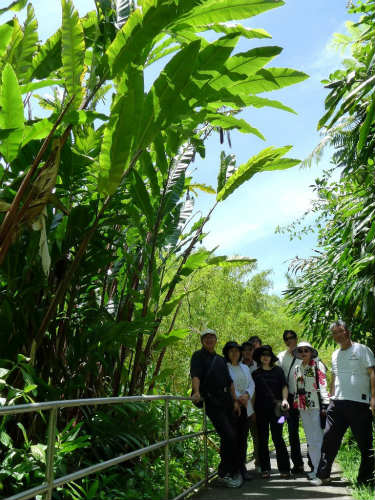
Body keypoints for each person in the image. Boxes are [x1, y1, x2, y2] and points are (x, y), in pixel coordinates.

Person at [312, 320, 375, 487]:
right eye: (334, 333)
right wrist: (331, 397)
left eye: (340, 331)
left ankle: (365, 481)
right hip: (337, 403)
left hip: (359, 404)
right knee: (329, 439)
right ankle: (323, 475)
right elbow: (335, 377)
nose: (338, 335)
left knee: (365, 444)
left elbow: (372, 374)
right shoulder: (335, 354)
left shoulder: (362, 349)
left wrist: (373, 399)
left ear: (347, 331)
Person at [190, 329, 243, 488]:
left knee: (232, 435)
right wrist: (197, 391)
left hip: (226, 400)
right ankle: (227, 472)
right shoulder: (198, 356)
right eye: (206, 337)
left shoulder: (220, 359)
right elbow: (196, 375)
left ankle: (230, 470)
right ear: (202, 341)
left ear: (216, 340)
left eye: (212, 337)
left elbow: (230, 382)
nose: (209, 340)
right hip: (212, 401)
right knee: (229, 435)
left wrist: (235, 401)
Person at [252, 345, 291, 479]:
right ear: (259, 358)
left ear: (271, 357)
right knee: (263, 439)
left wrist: (285, 400)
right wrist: (252, 411)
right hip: (261, 410)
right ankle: (265, 468)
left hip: (278, 412)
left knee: (278, 437)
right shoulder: (255, 374)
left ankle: (285, 468)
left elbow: (284, 386)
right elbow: (254, 393)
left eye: (268, 355)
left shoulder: (278, 371)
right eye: (263, 355)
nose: (265, 357)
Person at [292, 341, 329, 480]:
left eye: (306, 350)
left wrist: (325, 404)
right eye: (300, 351)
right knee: (310, 440)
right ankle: (315, 468)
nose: (303, 353)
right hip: (303, 407)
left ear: (311, 352)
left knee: (318, 439)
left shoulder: (317, 365)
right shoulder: (297, 368)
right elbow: (296, 389)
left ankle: (321, 470)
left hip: (317, 406)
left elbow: (323, 384)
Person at [223, 341, 255, 481]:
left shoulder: (245, 367)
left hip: (245, 405)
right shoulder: (225, 367)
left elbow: (251, 383)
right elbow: (225, 385)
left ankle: (242, 468)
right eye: (231, 351)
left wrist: (247, 394)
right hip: (232, 407)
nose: (234, 353)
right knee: (232, 439)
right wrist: (236, 399)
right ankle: (231, 470)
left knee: (243, 439)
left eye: (237, 351)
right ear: (227, 353)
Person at [277, 330, 304, 474]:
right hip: (290, 398)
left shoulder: (305, 352)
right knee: (292, 431)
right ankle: (298, 464)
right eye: (286, 339)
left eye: (291, 338)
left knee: (310, 430)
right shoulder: (281, 356)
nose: (289, 341)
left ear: (296, 338)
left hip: (306, 397)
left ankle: (315, 462)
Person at [242, 341, 260, 472]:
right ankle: (241, 464)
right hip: (241, 405)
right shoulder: (236, 365)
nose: (248, 352)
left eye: (250, 349)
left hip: (257, 405)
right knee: (241, 436)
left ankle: (258, 463)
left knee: (257, 435)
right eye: (245, 349)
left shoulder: (258, 366)